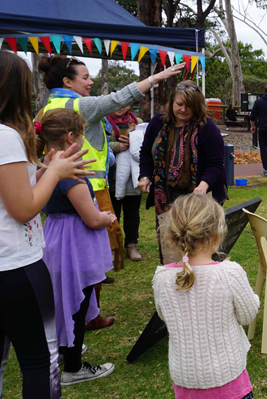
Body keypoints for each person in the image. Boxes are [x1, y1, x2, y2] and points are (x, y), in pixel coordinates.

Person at [0, 51, 102, 399]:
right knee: (41, 361)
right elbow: (23, 208)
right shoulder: (2, 136)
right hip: (14, 266)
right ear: (13, 88)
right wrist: (54, 173)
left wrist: (44, 169)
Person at [37, 55, 184, 327]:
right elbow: (116, 99)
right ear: (67, 81)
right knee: (88, 257)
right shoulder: (76, 104)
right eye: (85, 77)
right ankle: (88, 316)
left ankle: (84, 313)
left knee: (73, 260)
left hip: (57, 187)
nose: (91, 82)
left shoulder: (48, 106)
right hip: (85, 187)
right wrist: (155, 78)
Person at [153, 194, 260, 399]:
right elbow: (248, 315)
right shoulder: (229, 273)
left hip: (187, 376)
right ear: (217, 234)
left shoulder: (161, 278)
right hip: (228, 372)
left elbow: (165, 316)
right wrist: (248, 293)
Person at [37, 109, 116, 386]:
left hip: (55, 238)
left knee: (62, 300)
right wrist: (108, 217)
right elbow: (92, 219)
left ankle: (63, 349)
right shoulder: (71, 177)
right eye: (83, 135)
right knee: (78, 302)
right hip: (75, 245)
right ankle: (73, 367)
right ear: (72, 137)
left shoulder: (42, 169)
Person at [138, 81, 227, 264]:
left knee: (200, 245)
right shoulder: (158, 122)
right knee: (172, 241)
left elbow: (215, 163)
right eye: (179, 104)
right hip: (167, 193)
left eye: (190, 106)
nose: (184, 109)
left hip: (200, 195)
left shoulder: (206, 128)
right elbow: (146, 152)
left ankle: (205, 280)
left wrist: (203, 185)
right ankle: (174, 277)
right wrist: (145, 176)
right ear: (171, 103)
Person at [107, 104, 143, 262]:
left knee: (132, 212)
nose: (120, 107)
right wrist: (117, 146)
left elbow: (144, 143)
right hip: (111, 173)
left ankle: (131, 246)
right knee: (111, 214)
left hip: (132, 173)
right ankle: (113, 247)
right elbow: (97, 144)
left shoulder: (138, 121)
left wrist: (132, 142)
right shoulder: (104, 121)